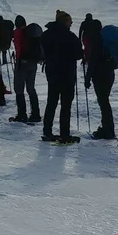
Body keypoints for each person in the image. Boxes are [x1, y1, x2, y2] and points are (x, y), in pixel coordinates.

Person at [40, 10, 83, 143]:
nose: (71, 23)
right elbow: (79, 54)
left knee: (51, 102)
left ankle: (47, 131)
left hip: (52, 73)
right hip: (67, 74)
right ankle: (64, 133)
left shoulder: (46, 34)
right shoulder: (70, 36)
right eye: (70, 21)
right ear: (64, 21)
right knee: (66, 104)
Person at [83, 18, 117, 139]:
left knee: (103, 102)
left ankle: (108, 130)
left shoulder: (96, 41)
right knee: (104, 101)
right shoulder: (104, 40)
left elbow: (93, 62)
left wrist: (87, 78)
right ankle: (108, 128)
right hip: (109, 73)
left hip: (99, 75)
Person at [10, 15, 42, 123]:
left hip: (22, 63)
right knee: (31, 88)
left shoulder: (18, 32)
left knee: (19, 89)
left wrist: (19, 60)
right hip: (33, 62)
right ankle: (36, 114)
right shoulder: (31, 32)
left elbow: (18, 47)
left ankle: (22, 114)